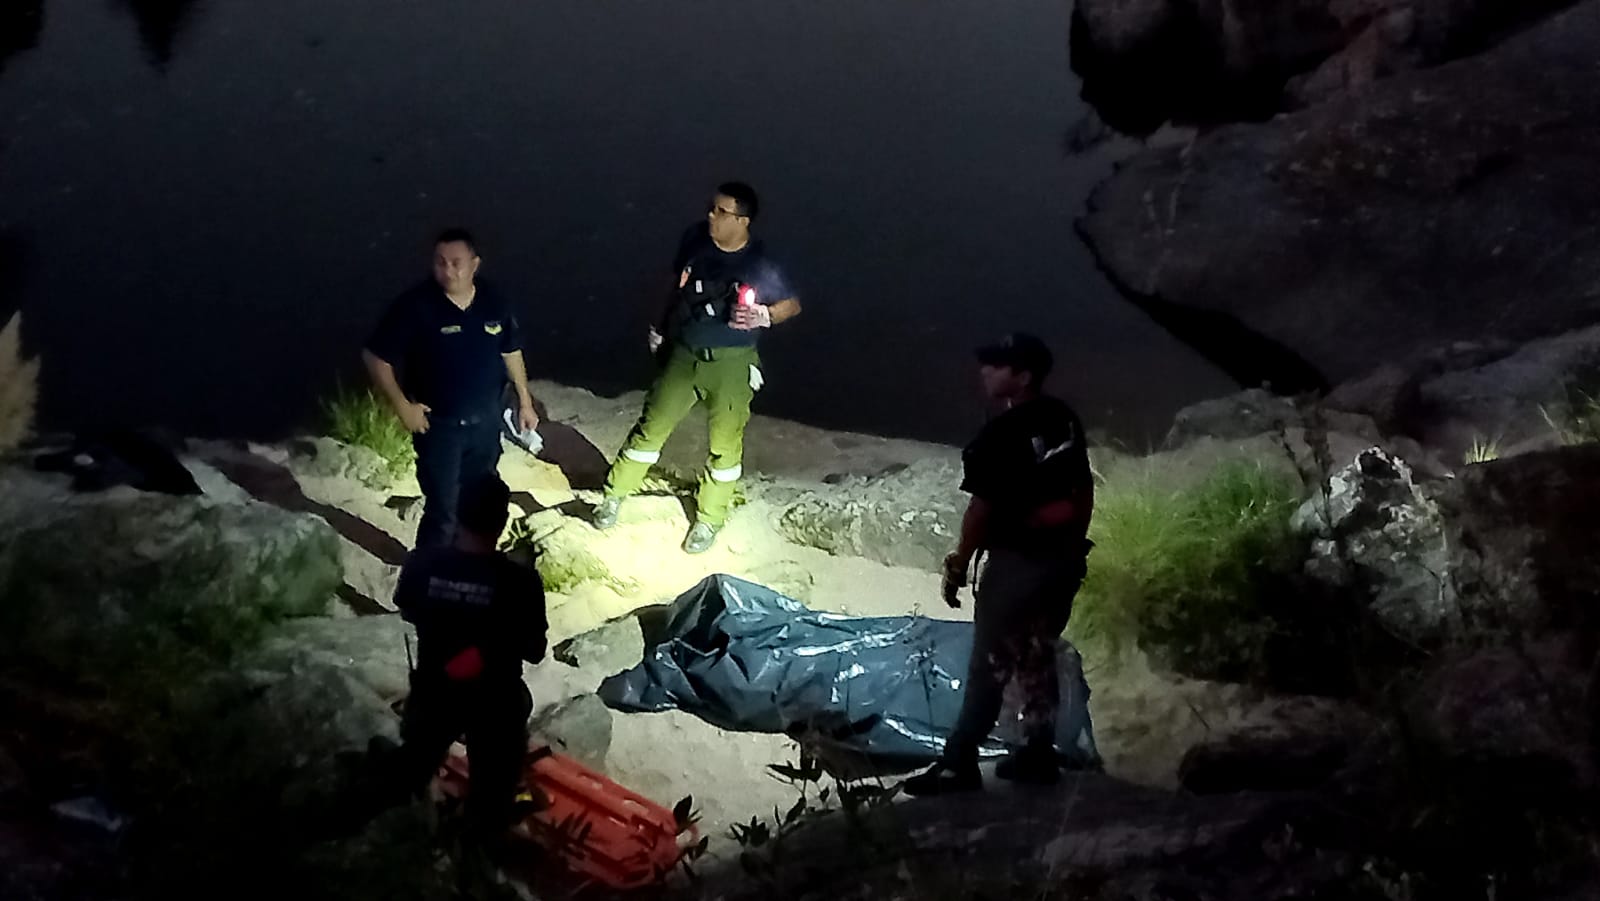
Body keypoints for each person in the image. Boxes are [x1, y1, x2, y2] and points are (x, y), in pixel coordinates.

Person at [904, 333, 1094, 795]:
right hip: (1062, 561)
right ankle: (1038, 751)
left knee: (988, 661)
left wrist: (958, 563)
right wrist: (1070, 548)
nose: (984, 372)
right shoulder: (1063, 418)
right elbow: (1083, 488)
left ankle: (959, 762)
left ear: (1022, 377)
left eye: (997, 365)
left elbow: (981, 511)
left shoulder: (1000, 434)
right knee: (1037, 652)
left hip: (1018, 564)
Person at [591, 182, 802, 553]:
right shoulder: (695, 239)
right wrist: (659, 327)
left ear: (743, 221)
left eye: (721, 212)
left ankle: (710, 518)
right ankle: (614, 496)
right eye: (711, 208)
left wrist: (764, 315)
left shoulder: (760, 262)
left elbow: (792, 304)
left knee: (725, 445)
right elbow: (675, 284)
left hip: (731, 362)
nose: (711, 216)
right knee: (651, 427)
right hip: (685, 353)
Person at [382, 473, 547, 838]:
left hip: (435, 690)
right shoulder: (520, 581)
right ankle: (482, 834)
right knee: (494, 795)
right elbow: (535, 651)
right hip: (494, 700)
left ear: (457, 514)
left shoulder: (422, 562)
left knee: (412, 768)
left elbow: (408, 608)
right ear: (502, 522)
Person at [363, 228, 540, 549]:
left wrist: (524, 402)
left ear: (475, 264)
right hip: (440, 428)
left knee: (480, 505)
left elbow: (511, 350)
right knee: (442, 511)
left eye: (456, 263)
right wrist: (402, 407)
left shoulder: (494, 300)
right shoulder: (416, 305)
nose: (448, 270)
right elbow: (376, 357)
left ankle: (474, 566)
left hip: (486, 426)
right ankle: (428, 574)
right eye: (440, 262)